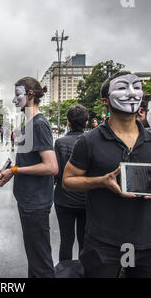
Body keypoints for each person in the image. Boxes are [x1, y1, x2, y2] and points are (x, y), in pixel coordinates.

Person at [62, 71, 151, 278]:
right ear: (105, 101)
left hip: (148, 240)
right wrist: (102, 181)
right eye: (122, 88)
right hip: (103, 242)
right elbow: (68, 180)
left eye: (136, 87)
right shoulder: (89, 142)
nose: (132, 93)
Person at [0, 77, 59, 278]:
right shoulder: (30, 122)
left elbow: (51, 166)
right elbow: (32, 161)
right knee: (35, 257)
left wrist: (14, 171)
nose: (15, 101)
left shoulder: (38, 124)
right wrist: (12, 169)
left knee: (40, 261)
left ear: (30, 95)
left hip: (35, 203)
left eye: (18, 95)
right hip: (29, 200)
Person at [54, 104, 88, 261]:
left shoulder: (60, 143)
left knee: (66, 241)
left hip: (64, 199)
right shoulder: (91, 142)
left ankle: (64, 272)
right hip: (86, 201)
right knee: (84, 242)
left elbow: (57, 173)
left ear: (68, 122)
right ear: (86, 122)